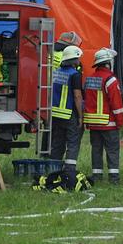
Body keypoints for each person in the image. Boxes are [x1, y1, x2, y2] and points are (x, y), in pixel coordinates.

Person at [83, 48, 123, 183]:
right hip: (109, 123)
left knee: (96, 150)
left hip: (94, 124)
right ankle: (114, 178)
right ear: (108, 63)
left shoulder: (89, 79)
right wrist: (120, 122)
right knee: (112, 151)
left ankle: (97, 176)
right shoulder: (110, 79)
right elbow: (116, 103)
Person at [50, 45, 84, 175]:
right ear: (74, 59)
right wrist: (80, 116)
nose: (79, 60)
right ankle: (69, 172)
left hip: (55, 114)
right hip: (69, 114)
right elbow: (77, 96)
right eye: (78, 58)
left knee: (57, 143)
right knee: (72, 143)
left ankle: (54, 170)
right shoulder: (75, 75)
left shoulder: (56, 72)